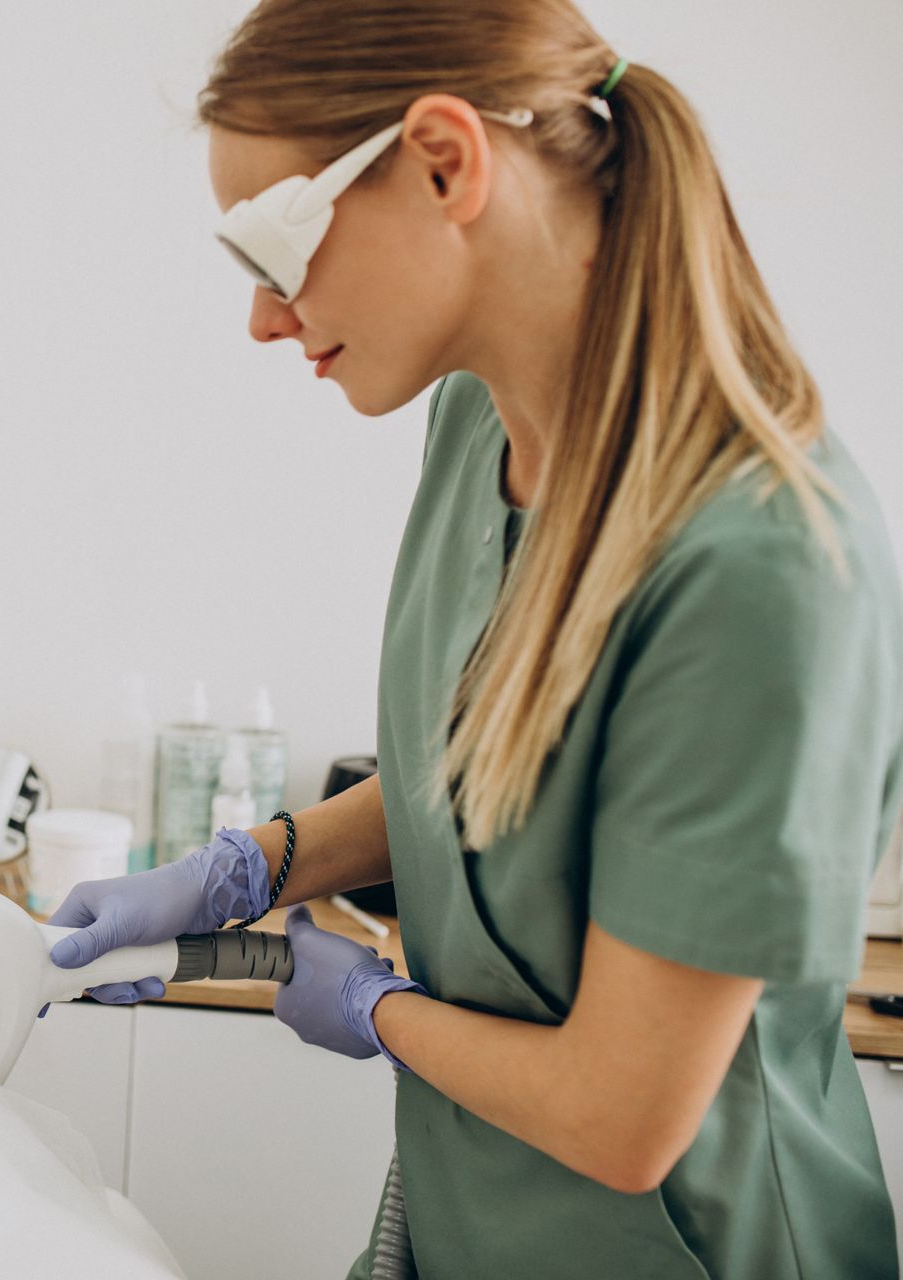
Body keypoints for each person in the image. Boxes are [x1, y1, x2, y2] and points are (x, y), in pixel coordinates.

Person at [47, 1, 903, 1276]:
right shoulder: (478, 434)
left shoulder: (763, 564)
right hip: (473, 1212)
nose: (266, 321)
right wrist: (255, 865)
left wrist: (375, 1006)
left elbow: (624, 1119)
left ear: (448, 160)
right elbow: (501, 774)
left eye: (273, 253)